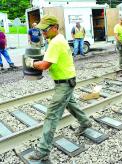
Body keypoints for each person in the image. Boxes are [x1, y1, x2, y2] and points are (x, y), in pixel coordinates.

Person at [25, 15, 92, 161]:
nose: (43, 32)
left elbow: (44, 65)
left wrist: (31, 63)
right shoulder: (57, 39)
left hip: (64, 83)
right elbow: (51, 57)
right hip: (67, 80)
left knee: (51, 115)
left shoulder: (55, 42)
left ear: (54, 27)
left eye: (45, 30)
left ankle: (43, 150)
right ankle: (85, 122)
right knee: (71, 104)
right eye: (41, 30)